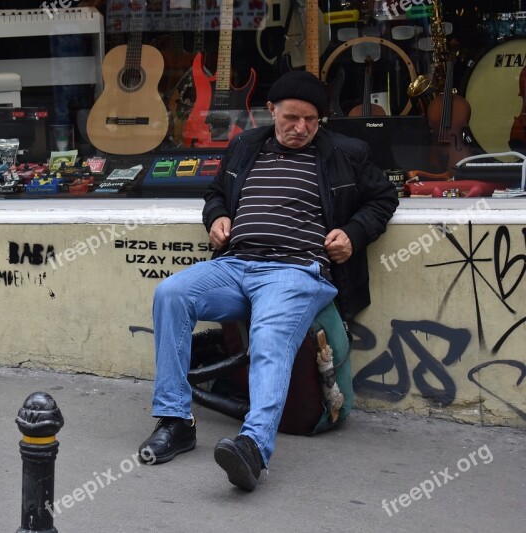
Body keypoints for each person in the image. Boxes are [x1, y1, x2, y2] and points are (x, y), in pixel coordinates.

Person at [137, 70, 399, 491]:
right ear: (271, 111)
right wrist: (217, 217)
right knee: (171, 293)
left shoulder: (346, 153)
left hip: (296, 271)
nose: (301, 128)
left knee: (270, 334)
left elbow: (385, 197)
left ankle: (254, 446)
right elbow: (216, 194)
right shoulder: (244, 146)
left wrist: (353, 233)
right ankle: (175, 421)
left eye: (311, 120)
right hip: (236, 264)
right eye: (291, 118)